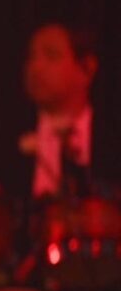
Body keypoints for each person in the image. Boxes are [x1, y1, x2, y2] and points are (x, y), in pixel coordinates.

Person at [18, 22, 110, 197]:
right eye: (31, 57)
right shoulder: (7, 138)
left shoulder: (110, 138)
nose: (36, 67)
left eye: (51, 56)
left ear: (87, 69)